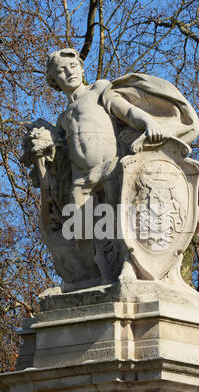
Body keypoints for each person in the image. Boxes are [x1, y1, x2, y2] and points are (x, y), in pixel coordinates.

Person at [46, 48, 175, 275]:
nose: (69, 73)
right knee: (80, 227)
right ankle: (90, 275)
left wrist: (147, 122)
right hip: (81, 179)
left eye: (73, 67)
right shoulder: (63, 117)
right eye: (61, 71)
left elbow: (126, 110)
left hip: (110, 167)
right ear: (53, 81)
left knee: (120, 219)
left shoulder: (98, 90)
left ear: (82, 68)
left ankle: (129, 263)